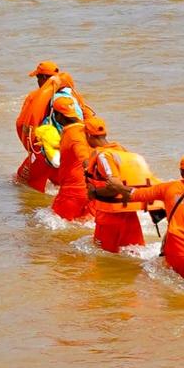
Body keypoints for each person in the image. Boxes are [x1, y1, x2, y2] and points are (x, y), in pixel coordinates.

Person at [15, 62, 95, 192]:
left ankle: (37, 210)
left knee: (23, 183)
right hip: (68, 149)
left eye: (38, 78)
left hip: (44, 150)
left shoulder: (37, 97)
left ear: (44, 78)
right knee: (62, 183)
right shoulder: (73, 97)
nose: (37, 81)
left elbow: (26, 122)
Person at [83, 116, 150, 253]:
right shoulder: (121, 150)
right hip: (129, 214)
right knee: (134, 255)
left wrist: (94, 192)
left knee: (102, 259)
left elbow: (115, 187)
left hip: (109, 216)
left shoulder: (103, 156)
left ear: (88, 135)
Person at [50, 97, 94, 221]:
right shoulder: (82, 127)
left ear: (59, 115)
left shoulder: (74, 135)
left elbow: (84, 158)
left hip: (73, 192)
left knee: (54, 228)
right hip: (84, 190)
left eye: (54, 113)